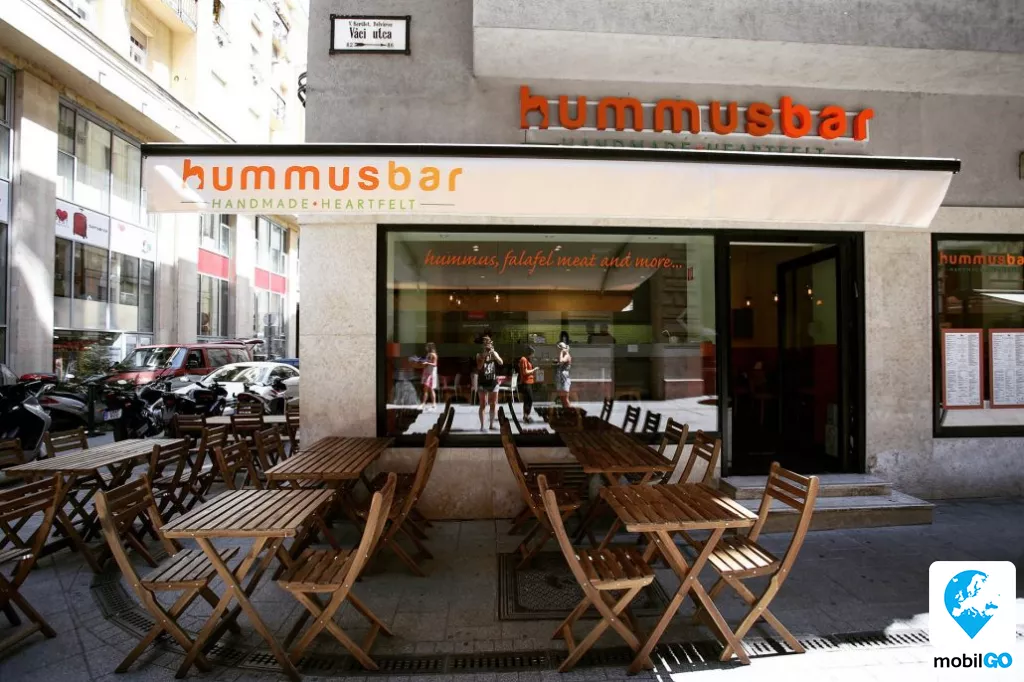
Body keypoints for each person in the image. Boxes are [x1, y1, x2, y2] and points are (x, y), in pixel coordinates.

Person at [476, 336, 503, 430]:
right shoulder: (479, 355)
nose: (487, 345)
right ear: (483, 345)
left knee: (493, 404)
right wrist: (484, 356)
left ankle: (491, 425)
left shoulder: (494, 353)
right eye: (485, 344)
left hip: (493, 382)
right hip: (482, 383)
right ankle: (482, 426)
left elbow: (501, 362)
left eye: (488, 343)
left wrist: (494, 355)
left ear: (491, 344)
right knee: (483, 404)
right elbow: (479, 367)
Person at [518, 346, 537, 423]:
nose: (533, 355)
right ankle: (526, 416)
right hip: (525, 382)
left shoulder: (527, 359)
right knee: (529, 399)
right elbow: (525, 372)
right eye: (532, 353)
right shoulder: (523, 359)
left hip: (529, 382)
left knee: (528, 400)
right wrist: (534, 370)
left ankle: (526, 416)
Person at [419, 342, 438, 411]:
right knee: (426, 389)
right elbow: (427, 363)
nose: (426, 348)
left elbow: (435, 364)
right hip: (427, 373)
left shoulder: (433, 355)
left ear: (430, 347)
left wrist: (427, 363)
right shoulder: (428, 354)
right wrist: (424, 363)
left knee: (430, 389)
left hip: (431, 374)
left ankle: (430, 403)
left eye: (427, 347)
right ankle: (428, 403)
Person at [555, 341, 572, 408]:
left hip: (564, 378)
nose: (557, 351)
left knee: (565, 398)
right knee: (562, 398)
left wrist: (561, 352)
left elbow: (561, 361)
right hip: (561, 378)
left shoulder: (567, 355)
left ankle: (570, 411)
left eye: (559, 349)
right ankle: (565, 411)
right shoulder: (564, 355)